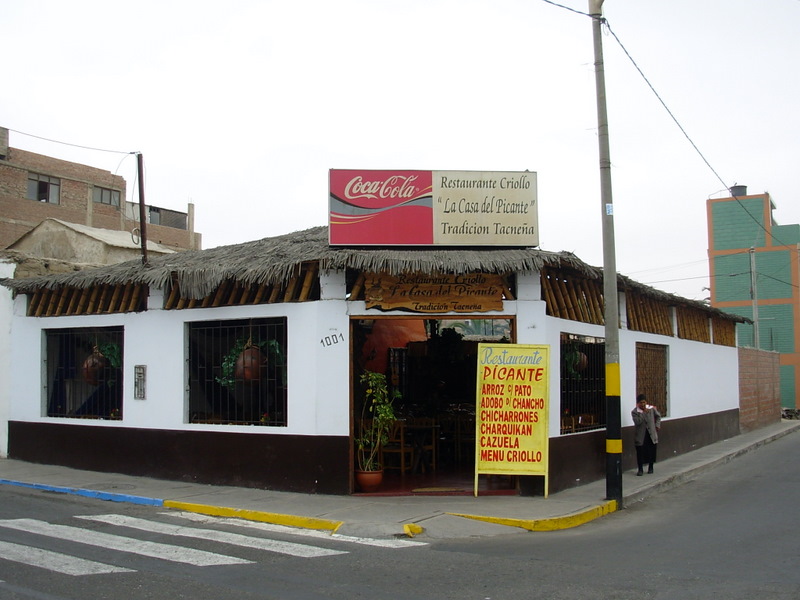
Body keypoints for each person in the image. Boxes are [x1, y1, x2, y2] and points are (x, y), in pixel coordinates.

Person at [631, 393, 661, 476]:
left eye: (644, 402)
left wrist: (657, 425)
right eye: (641, 403)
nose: (643, 404)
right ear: (638, 403)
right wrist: (643, 413)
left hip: (651, 435)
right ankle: (640, 469)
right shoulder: (635, 412)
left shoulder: (651, 409)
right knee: (640, 452)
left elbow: (658, 416)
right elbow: (637, 422)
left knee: (651, 451)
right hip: (641, 436)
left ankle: (651, 467)